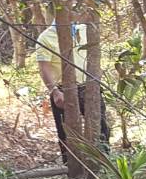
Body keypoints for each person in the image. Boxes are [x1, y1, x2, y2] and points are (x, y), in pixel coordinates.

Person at [34, 20, 110, 166]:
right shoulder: (45, 37)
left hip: (88, 87)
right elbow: (44, 68)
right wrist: (54, 92)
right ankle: (72, 167)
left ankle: (102, 163)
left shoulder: (84, 30)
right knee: (67, 132)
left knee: (100, 126)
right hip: (63, 91)